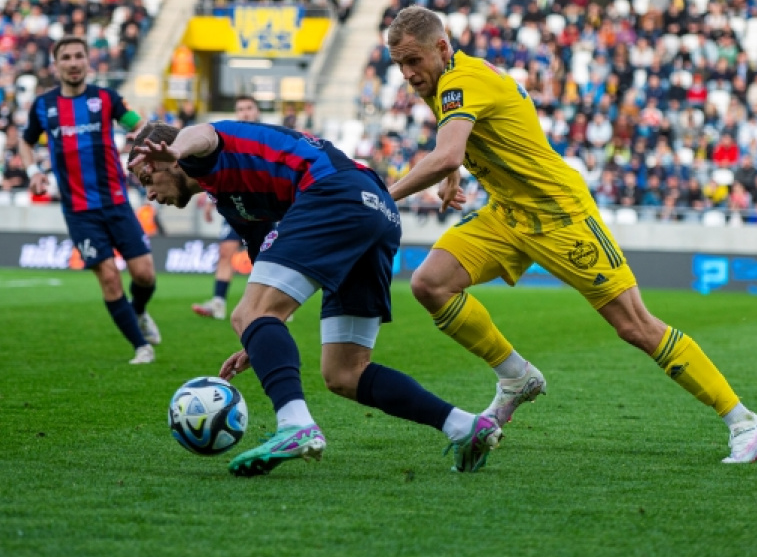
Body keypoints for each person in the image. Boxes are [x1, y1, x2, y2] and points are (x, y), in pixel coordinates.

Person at [385, 6, 757, 464]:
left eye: (413, 61)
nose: (408, 74)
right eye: (400, 65)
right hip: (508, 213)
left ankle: (745, 422)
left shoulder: (460, 81)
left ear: (442, 47)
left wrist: (383, 195)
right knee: (430, 283)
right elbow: (458, 144)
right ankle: (516, 377)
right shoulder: (450, 79)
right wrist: (452, 176)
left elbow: (449, 152)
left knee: (635, 325)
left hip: (559, 214)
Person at [128, 118, 502, 476]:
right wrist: (260, 339)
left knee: (247, 315)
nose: (149, 193)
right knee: (345, 373)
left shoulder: (199, 151)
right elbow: (266, 267)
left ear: (170, 161)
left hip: (334, 193)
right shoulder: (229, 197)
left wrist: (175, 148)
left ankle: (295, 425)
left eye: (148, 178)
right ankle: (466, 427)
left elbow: (204, 135)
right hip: (375, 211)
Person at [19, 36, 160, 365]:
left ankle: (138, 311)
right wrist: (32, 171)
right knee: (109, 277)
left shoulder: (106, 99)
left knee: (144, 275)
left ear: (87, 61)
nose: (72, 62)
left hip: (116, 203)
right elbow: (26, 142)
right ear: (56, 65)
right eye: (65, 57)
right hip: (79, 211)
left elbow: (137, 125)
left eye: (78, 56)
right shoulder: (44, 106)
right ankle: (142, 347)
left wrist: (142, 141)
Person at [192, 94, 261, 321]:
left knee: (264, 257)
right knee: (225, 252)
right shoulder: (228, 139)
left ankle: (272, 302)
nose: (245, 113)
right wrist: (211, 200)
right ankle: (218, 302)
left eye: (249, 108)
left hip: (264, 206)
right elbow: (217, 170)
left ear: (257, 111)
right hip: (234, 204)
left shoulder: (266, 137)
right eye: (240, 109)